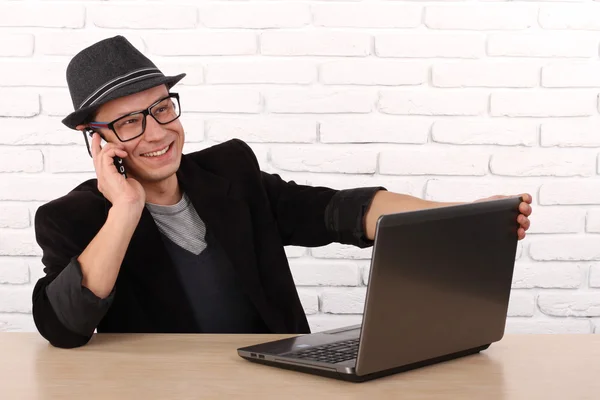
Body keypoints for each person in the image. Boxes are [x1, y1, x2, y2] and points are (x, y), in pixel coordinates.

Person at [31, 36, 532, 349]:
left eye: (162, 108)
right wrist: (125, 208)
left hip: (275, 382)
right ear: (96, 141)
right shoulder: (70, 220)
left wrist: (460, 217)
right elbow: (65, 327)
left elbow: (338, 210)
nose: (158, 132)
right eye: (129, 122)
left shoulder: (230, 171)